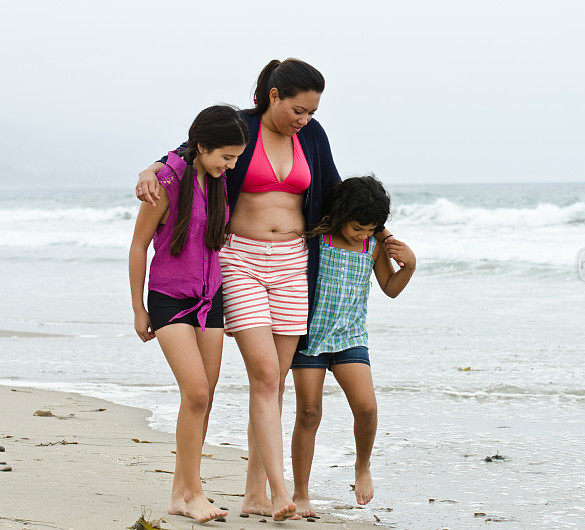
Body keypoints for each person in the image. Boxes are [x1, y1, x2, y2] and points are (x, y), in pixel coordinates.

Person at [134, 58, 389, 518]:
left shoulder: (311, 136)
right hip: (240, 259)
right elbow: (194, 147)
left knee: (275, 384)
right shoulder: (242, 128)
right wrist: (152, 167)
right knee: (265, 375)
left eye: (311, 112)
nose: (305, 120)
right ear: (274, 96)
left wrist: (382, 234)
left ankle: (255, 493)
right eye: (298, 110)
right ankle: (276, 488)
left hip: (293, 264)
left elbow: (335, 193)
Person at [128, 105, 248, 523]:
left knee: (205, 398)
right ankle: (193, 493)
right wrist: (138, 307)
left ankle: (182, 492)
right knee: (195, 391)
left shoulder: (218, 181)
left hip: (210, 299)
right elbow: (139, 245)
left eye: (235, 158)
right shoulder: (165, 182)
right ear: (201, 146)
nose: (230, 165)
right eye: (226, 157)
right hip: (168, 299)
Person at [290, 176, 416, 517]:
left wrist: (411, 265)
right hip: (309, 339)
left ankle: (362, 466)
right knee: (309, 413)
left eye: (371, 228)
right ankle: (301, 494)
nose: (362, 234)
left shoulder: (371, 246)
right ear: (342, 214)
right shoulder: (318, 237)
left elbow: (390, 287)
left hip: (350, 337)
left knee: (367, 408)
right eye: (358, 227)